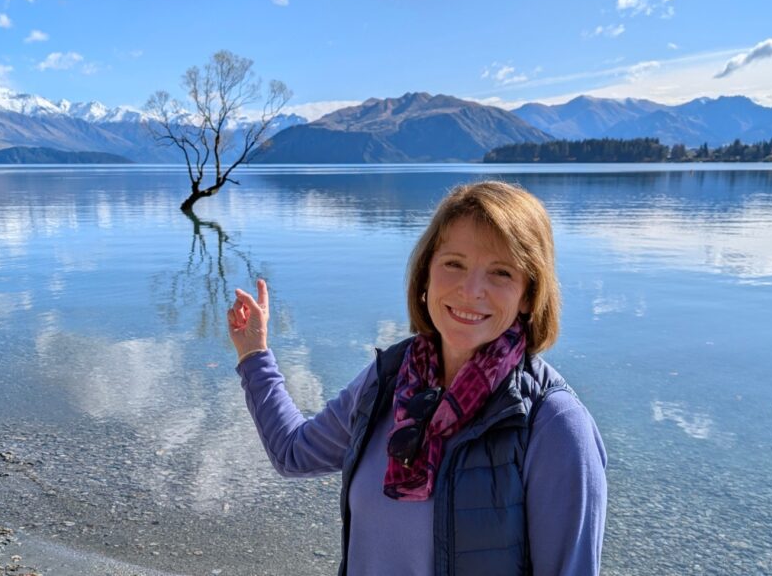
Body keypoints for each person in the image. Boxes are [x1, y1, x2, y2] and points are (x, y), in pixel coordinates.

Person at [228, 181, 607, 576]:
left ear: (529, 295)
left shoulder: (554, 425)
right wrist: (254, 355)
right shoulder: (386, 381)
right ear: (426, 274)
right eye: (454, 264)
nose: (470, 290)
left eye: (501, 272)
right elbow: (293, 453)